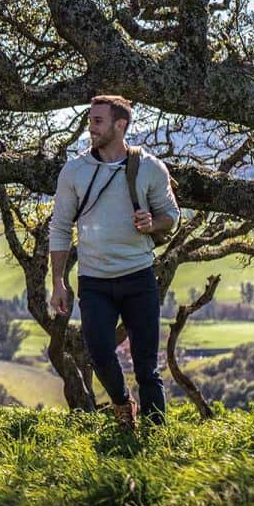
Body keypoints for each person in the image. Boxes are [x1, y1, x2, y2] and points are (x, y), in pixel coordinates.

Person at [48, 95, 180, 430]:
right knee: (101, 352)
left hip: (138, 276)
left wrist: (153, 223)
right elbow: (61, 227)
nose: (90, 128)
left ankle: (156, 432)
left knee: (147, 364)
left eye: (97, 121)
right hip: (94, 281)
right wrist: (58, 282)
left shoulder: (149, 167)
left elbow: (172, 217)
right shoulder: (74, 170)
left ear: (120, 125)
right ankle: (123, 404)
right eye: (90, 120)